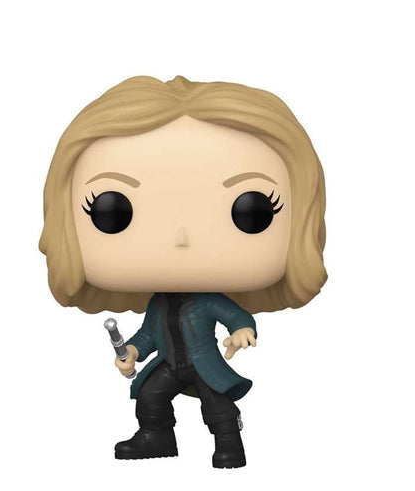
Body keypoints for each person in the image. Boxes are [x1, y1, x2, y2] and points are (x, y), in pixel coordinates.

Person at [39, 75, 327, 468]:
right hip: (170, 364)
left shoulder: (207, 301)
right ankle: (156, 436)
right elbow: (148, 333)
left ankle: (229, 443)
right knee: (148, 396)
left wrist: (243, 330)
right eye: (112, 210)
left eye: (252, 209)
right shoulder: (159, 303)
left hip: (203, 363)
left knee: (217, 405)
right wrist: (132, 352)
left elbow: (234, 315)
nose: (181, 238)